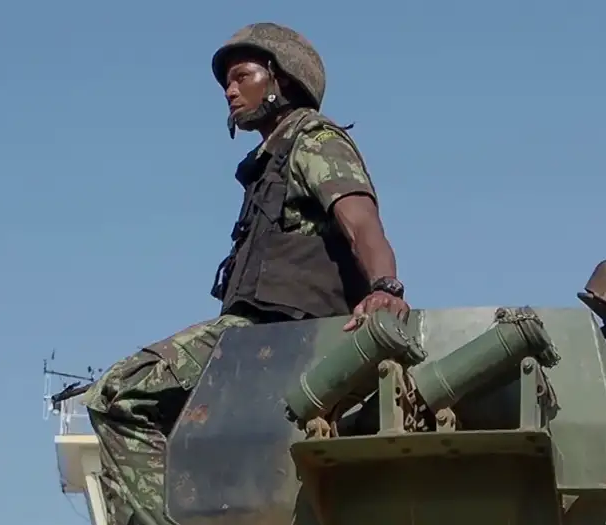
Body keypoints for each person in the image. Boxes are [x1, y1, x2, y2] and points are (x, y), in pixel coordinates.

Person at [81, 22, 410, 525]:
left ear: (281, 78)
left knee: (119, 394)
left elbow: (362, 221)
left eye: (242, 77)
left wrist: (385, 287)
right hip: (258, 346)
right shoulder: (267, 163)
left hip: (283, 336)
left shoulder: (314, 139)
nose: (229, 91)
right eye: (226, 83)